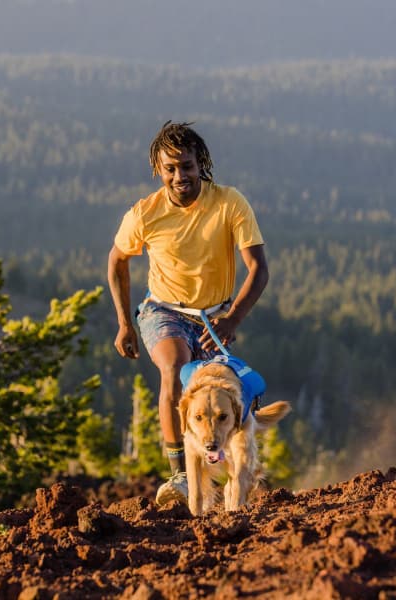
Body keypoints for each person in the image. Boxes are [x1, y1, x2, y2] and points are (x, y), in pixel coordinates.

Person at [107, 121, 268, 506]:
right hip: (164, 309)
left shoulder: (229, 203)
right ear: (158, 170)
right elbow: (117, 261)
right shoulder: (145, 213)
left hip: (215, 317)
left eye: (187, 166)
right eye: (170, 168)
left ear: (201, 164)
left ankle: (234, 472)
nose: (180, 176)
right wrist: (124, 323)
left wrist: (232, 320)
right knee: (176, 371)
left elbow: (258, 269)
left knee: (223, 395)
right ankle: (181, 475)